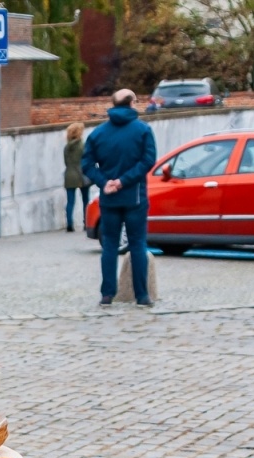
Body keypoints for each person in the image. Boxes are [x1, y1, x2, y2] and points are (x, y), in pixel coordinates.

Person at [81, 89, 156, 306]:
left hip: (109, 197)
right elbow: (148, 160)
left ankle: (107, 294)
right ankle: (142, 295)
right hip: (135, 196)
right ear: (132, 103)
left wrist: (105, 182)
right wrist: (124, 180)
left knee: (110, 246)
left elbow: (86, 164)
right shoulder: (143, 130)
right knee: (138, 244)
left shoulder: (98, 133)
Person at [63, 122, 90, 233]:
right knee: (85, 200)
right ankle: (86, 223)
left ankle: (69, 224)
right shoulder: (82, 145)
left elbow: (66, 162)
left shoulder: (66, 147)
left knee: (70, 201)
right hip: (81, 174)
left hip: (69, 174)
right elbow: (86, 160)